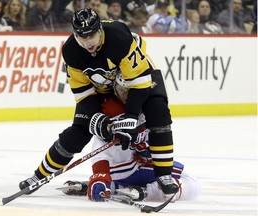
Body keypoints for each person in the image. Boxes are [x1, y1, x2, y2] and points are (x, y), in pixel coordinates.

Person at [19, 7, 179, 198]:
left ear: (100, 30)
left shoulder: (118, 37)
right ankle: (38, 176)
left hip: (140, 80)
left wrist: (131, 117)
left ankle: (164, 176)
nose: (88, 43)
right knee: (78, 132)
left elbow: (140, 84)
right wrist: (99, 120)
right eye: (82, 37)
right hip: (104, 90)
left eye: (92, 36)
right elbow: (83, 94)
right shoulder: (71, 51)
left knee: (159, 114)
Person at [58, 74, 201, 202]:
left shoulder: (152, 107)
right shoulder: (111, 111)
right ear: (115, 89)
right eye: (122, 90)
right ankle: (145, 193)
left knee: (188, 180)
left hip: (133, 169)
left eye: (131, 91)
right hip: (124, 169)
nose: (127, 96)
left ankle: (111, 186)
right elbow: (99, 148)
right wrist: (101, 175)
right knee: (191, 183)